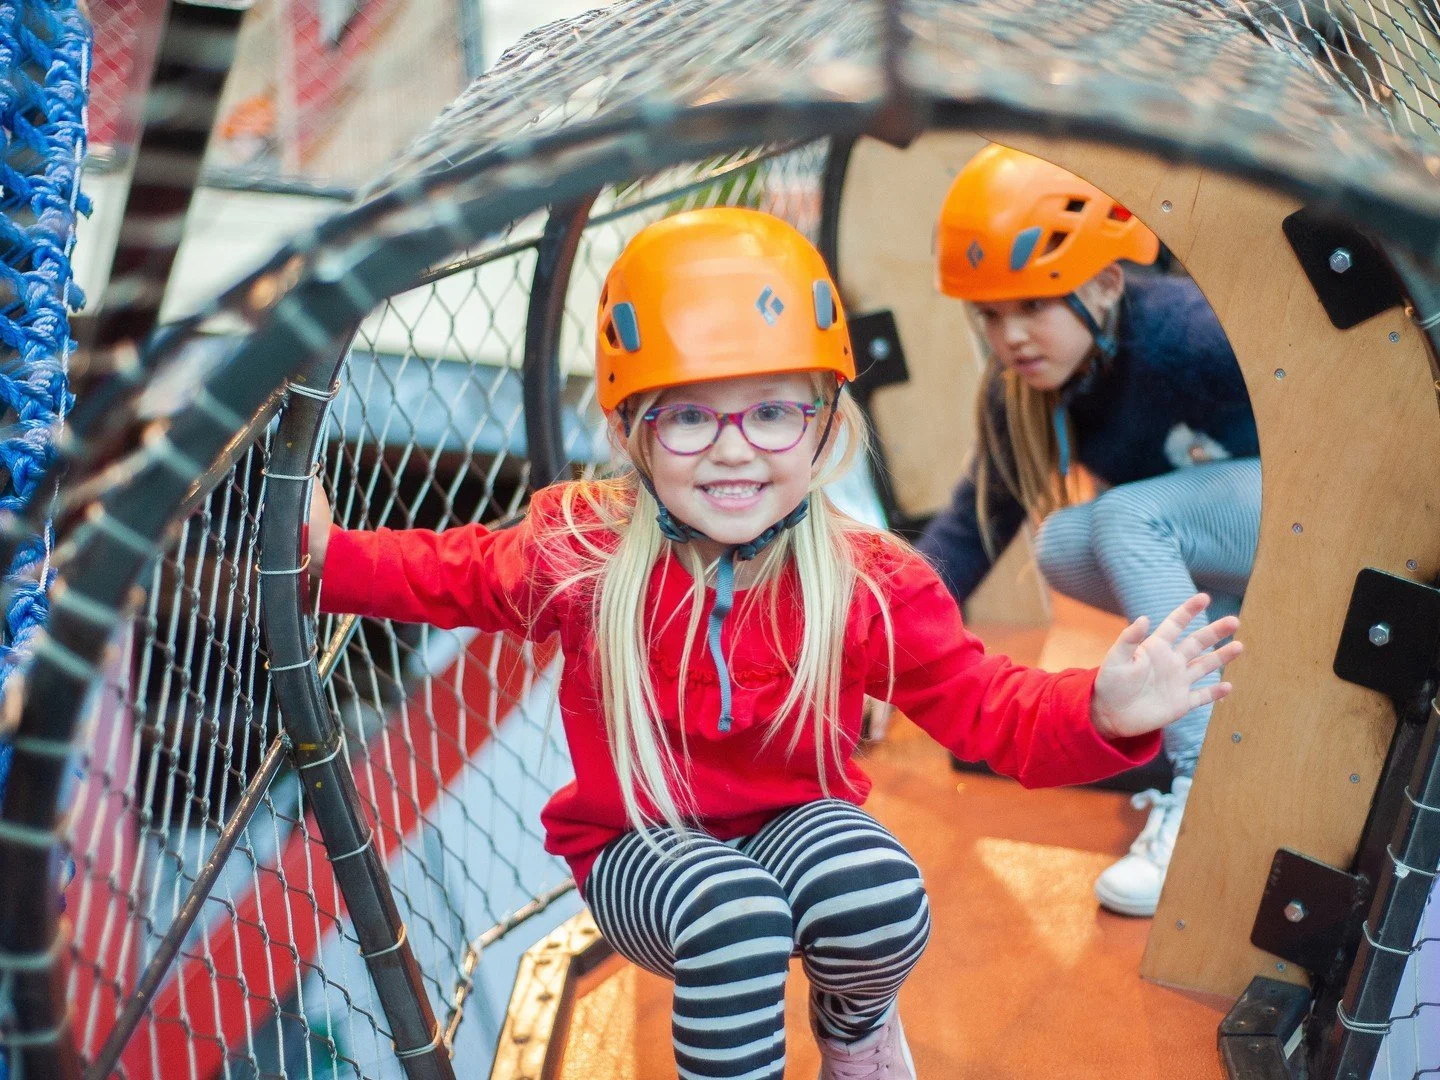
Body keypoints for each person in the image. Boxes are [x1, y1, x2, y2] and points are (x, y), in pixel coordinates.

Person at [308, 207, 1241, 1079]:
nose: (732, 449)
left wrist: (1104, 710)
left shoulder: (865, 580)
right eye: (686, 415)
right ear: (629, 429)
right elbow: (440, 570)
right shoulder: (582, 551)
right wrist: (324, 557)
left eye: (771, 411)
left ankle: (855, 1031)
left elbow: (984, 703)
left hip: (795, 822)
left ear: (825, 421)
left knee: (879, 892)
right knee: (733, 918)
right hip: (639, 843)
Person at [919, 146, 1261, 919]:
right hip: (1238, 555)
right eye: (991, 315)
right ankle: (1245, 656)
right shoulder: (1024, 392)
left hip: (1310, 518)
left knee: (1124, 514)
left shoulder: (1188, 335)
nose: (1011, 337)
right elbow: (967, 534)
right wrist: (866, 648)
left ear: (1106, 285)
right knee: (1061, 543)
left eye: (1034, 304)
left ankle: (1205, 786)